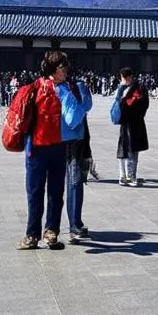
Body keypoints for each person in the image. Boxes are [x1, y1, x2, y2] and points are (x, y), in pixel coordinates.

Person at [17, 51, 85, 250]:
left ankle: (41, 234)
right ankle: (42, 232)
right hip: (45, 147)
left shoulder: (41, 88)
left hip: (47, 148)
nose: (66, 72)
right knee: (45, 192)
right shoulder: (44, 89)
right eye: (63, 68)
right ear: (54, 70)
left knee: (45, 192)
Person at [64, 76, 94, 244]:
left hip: (66, 141)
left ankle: (73, 224)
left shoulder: (55, 87)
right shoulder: (78, 87)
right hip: (75, 141)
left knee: (73, 183)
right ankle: (74, 224)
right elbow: (87, 106)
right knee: (74, 183)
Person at [114, 67, 150, 186]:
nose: (122, 80)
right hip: (125, 123)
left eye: (123, 78)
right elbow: (117, 102)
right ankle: (122, 175)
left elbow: (144, 104)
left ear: (129, 77)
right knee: (123, 149)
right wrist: (120, 89)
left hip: (135, 122)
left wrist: (131, 110)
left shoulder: (140, 88)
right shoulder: (121, 88)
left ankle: (131, 176)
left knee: (133, 150)